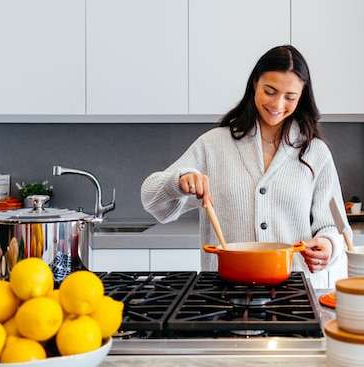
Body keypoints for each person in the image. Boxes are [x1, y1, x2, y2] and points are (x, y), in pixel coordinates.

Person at [141, 45, 349, 288]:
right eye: (269, 91)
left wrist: (328, 245)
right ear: (254, 85)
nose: (278, 104)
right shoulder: (214, 144)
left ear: (301, 97)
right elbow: (152, 200)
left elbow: (332, 225)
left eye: (290, 97)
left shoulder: (315, 152)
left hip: (294, 295)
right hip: (223, 293)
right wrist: (178, 181)